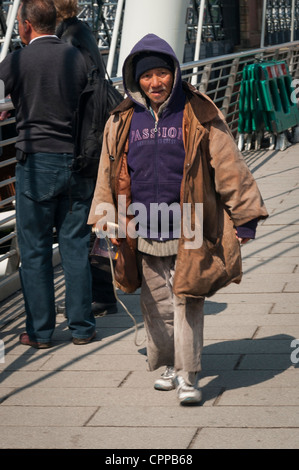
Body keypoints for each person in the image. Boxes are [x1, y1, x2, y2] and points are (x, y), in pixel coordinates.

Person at [87, 33, 268, 405]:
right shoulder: (121, 119)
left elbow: (229, 165)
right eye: (146, 76)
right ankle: (169, 363)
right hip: (143, 227)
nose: (155, 83)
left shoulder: (199, 112)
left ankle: (190, 375)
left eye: (162, 73)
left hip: (190, 224)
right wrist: (104, 219)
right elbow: (108, 172)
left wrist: (245, 216)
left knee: (187, 298)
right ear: (135, 79)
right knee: (157, 304)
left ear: (174, 72)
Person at [0, 0, 96, 348]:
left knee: (36, 251)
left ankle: (40, 332)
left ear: (25, 25)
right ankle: (82, 327)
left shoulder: (16, 60)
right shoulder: (77, 58)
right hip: (76, 163)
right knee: (74, 247)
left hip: (36, 164)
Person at [53, 0, 117, 316]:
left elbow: (70, 91)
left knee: (83, 227)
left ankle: (99, 295)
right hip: (95, 139)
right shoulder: (83, 31)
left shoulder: (67, 38)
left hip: (83, 144)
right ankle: (104, 294)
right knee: (98, 225)